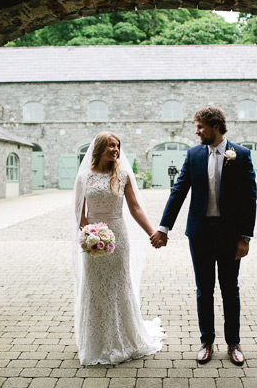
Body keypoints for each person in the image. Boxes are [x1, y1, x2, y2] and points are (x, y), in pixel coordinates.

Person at [150, 106, 257, 366]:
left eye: (200, 127)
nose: (197, 132)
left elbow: (249, 198)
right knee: (204, 290)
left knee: (230, 289)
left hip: (231, 236)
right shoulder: (193, 154)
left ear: (216, 127)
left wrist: (245, 237)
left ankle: (234, 343)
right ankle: (206, 341)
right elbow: (179, 192)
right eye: (196, 127)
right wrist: (163, 228)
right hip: (200, 234)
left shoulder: (241, 155)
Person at [72, 132, 165, 365]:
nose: (115, 149)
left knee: (118, 284)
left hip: (118, 238)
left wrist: (152, 232)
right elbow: (79, 215)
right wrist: (89, 236)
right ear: (100, 148)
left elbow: (135, 208)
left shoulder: (122, 175)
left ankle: (125, 338)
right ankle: (96, 341)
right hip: (93, 240)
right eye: (111, 146)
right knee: (95, 286)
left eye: (117, 146)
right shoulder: (84, 177)